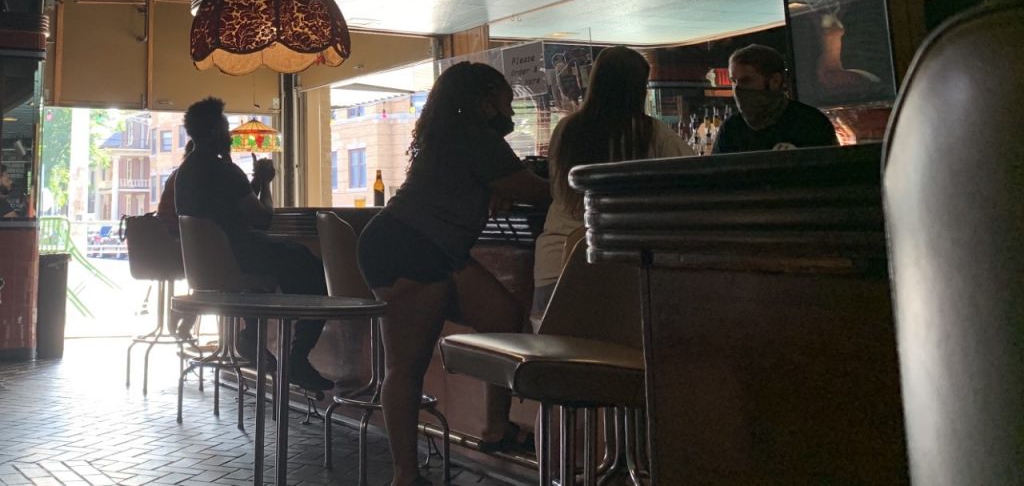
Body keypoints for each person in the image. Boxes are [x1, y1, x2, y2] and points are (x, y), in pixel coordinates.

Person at [357, 62, 550, 486]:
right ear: (484, 102)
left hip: (420, 243)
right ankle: (405, 475)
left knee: (502, 316)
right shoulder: (474, 136)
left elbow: (510, 181)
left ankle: (496, 428)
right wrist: (517, 182)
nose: (511, 113)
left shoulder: (454, 135)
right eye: (506, 102)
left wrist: (502, 184)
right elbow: (539, 190)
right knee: (407, 365)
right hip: (408, 246)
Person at [174, 97, 332, 391]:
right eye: (225, 129)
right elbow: (262, 219)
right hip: (240, 257)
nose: (230, 135)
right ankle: (297, 356)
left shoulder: (185, 173)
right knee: (310, 266)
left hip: (212, 267)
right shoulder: (224, 170)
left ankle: (251, 334)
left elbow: (231, 207)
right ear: (212, 133)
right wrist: (267, 183)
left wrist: (253, 184)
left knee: (286, 260)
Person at [533, 46, 694, 318]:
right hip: (619, 265)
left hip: (553, 264)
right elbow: (694, 180)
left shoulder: (566, 130)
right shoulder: (650, 132)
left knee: (558, 351)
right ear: (638, 88)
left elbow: (556, 187)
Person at [712, 44, 838, 154]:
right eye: (734, 81)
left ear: (775, 81)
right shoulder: (731, 129)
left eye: (746, 81)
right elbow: (715, 176)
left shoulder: (810, 123)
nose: (738, 89)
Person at [156, 139, 197, 338]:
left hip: (163, 248)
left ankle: (185, 311)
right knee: (221, 269)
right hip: (178, 247)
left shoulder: (177, 174)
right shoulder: (192, 177)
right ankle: (185, 311)